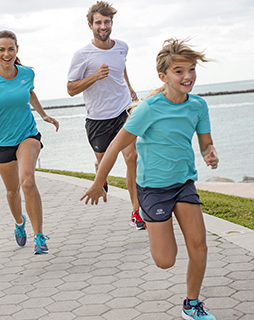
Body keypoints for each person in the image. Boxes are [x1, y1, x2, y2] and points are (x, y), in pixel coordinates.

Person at [81, 38, 218, 320]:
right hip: (153, 189)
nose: (188, 76)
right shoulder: (149, 109)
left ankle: (192, 305)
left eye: (191, 69)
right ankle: (150, 218)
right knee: (166, 261)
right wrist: (98, 181)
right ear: (163, 76)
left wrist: (209, 154)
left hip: (183, 184)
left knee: (199, 246)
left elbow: (205, 142)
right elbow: (115, 145)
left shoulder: (198, 106)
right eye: (179, 71)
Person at [0, 30, 59, 254]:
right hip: (1, 142)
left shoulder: (27, 73)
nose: (6, 53)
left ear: (17, 50)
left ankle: (39, 236)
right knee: (13, 190)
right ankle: (19, 223)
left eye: (11, 48)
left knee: (28, 180)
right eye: (2, 49)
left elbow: (29, 93)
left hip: (26, 134)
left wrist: (43, 115)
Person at [67, 1, 145, 230]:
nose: (103, 26)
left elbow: (121, 67)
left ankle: (136, 211)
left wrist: (129, 87)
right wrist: (94, 77)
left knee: (132, 158)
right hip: (98, 118)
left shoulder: (122, 47)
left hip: (124, 110)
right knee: (104, 162)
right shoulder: (82, 55)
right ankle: (100, 171)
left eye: (107, 22)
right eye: (98, 22)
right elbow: (70, 89)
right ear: (90, 25)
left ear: (112, 23)